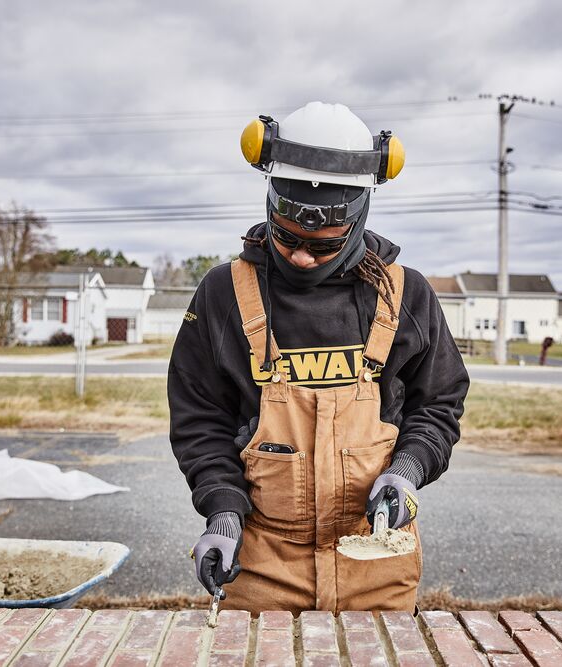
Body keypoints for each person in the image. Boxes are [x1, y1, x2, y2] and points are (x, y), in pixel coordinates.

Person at [169, 101, 469, 614]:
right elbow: (201, 420)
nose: (303, 256)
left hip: (376, 559)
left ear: (358, 222)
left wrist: (408, 470)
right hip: (261, 564)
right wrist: (221, 513)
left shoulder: (404, 296)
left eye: (325, 244)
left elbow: (438, 404)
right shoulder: (224, 294)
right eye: (288, 238)